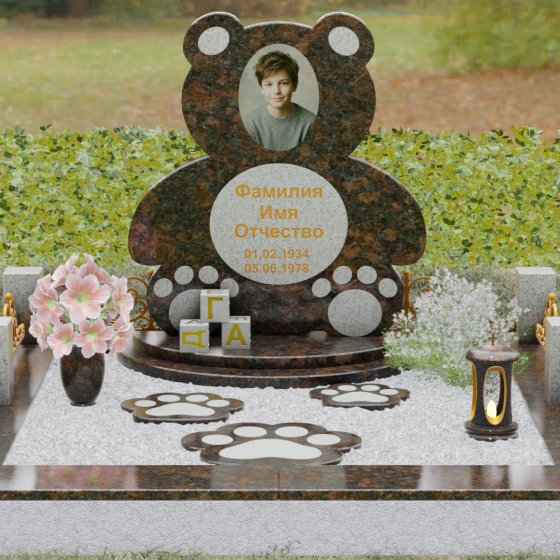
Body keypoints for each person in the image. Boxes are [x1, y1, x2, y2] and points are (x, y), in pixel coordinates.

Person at [243, 51, 316, 151]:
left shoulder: (310, 123)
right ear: (261, 88)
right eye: (269, 84)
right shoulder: (250, 123)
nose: (276, 91)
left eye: (284, 83)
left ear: (295, 85)